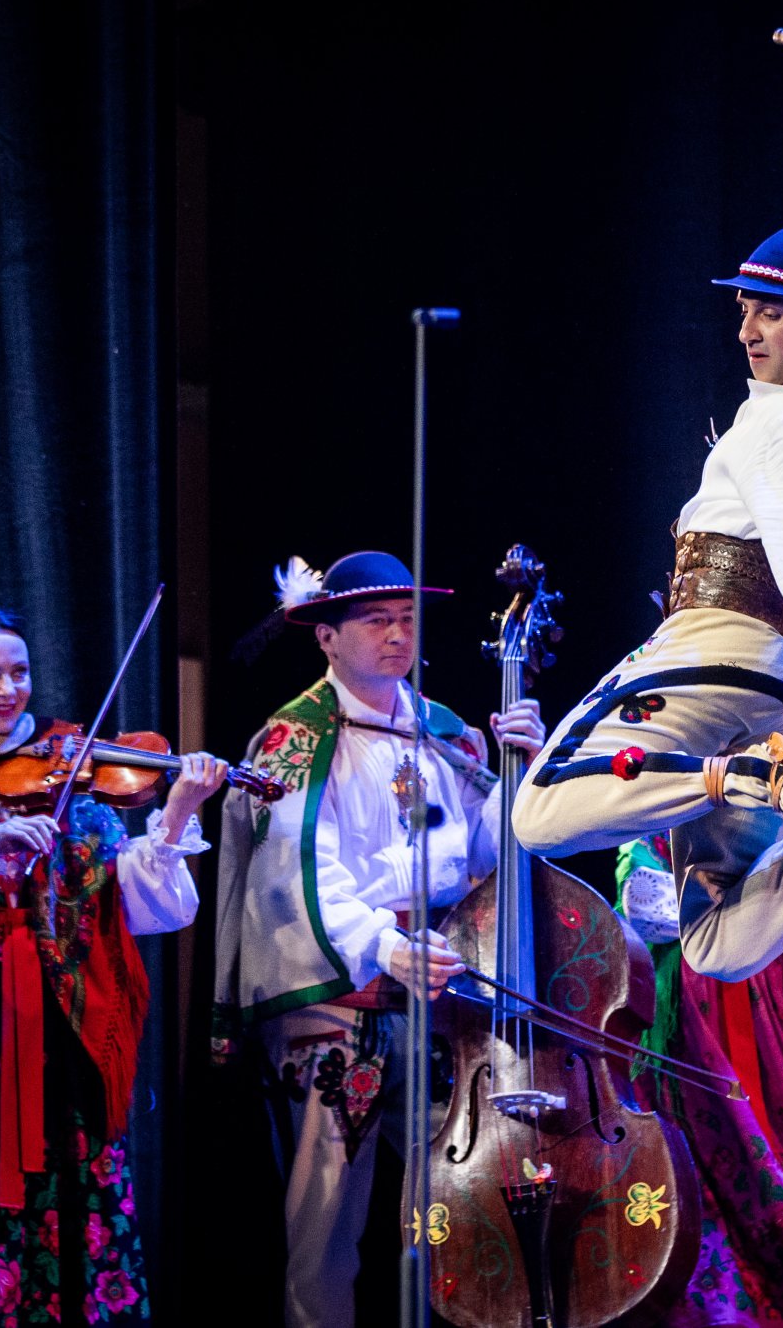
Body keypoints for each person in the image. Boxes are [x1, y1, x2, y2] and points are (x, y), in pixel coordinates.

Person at [513, 31, 783, 870]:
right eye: (744, 310)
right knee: (715, 916)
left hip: (722, 650)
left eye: (769, 314)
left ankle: (753, 776)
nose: (746, 331)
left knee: (542, 806)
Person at [0, 604, 228, 1325]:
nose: (9, 689)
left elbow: (146, 906)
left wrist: (178, 813)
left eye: (20, 672)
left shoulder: (74, 769)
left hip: (64, 1020)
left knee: (74, 1178)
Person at [211, 551, 545, 1328]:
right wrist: (386, 945)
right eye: (376, 621)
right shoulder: (294, 740)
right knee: (327, 1223)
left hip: (436, 996)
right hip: (340, 994)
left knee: (450, 1206)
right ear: (327, 636)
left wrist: (519, 774)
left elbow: (482, 854)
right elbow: (300, 872)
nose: (398, 634)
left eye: (406, 620)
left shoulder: (445, 732)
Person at [615, 824, 783, 1326]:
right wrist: (759, 902)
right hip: (694, 1017)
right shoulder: (662, 809)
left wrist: (738, 906)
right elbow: (644, 904)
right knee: (701, 1169)